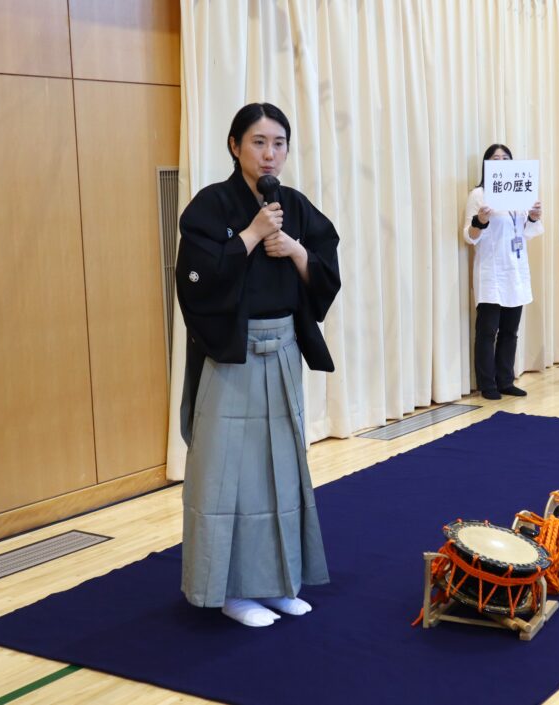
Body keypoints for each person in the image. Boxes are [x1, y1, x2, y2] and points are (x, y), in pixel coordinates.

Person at [175, 103, 340, 627]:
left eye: (279, 143)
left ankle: (278, 582)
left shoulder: (295, 206)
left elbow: (326, 270)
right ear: (234, 146)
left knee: (281, 474)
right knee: (229, 477)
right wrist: (249, 235)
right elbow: (196, 282)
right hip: (233, 356)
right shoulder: (210, 205)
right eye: (258, 142)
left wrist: (295, 250)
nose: (270, 154)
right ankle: (230, 592)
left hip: (283, 350)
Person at [463, 144, 543, 399]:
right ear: (487, 164)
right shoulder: (479, 194)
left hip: (515, 270)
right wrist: (480, 221)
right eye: (495, 158)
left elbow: (527, 232)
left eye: (505, 158)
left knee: (510, 331)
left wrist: (533, 216)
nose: (500, 162)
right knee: (487, 332)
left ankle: (505, 380)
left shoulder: (520, 193)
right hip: (491, 271)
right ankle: (488, 384)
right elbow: (469, 236)